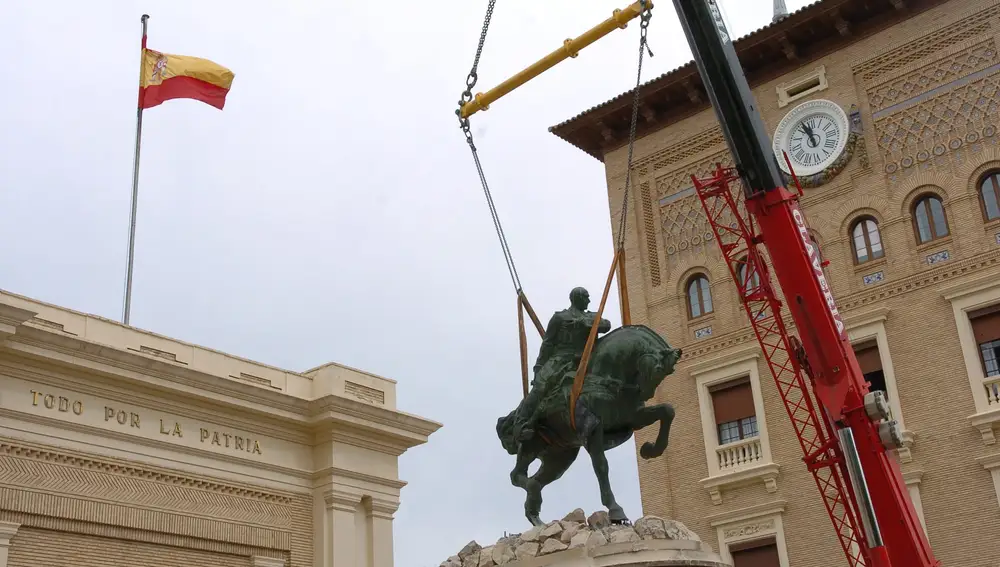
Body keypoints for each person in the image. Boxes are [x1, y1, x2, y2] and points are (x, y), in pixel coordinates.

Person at [512, 287, 611, 442]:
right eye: (586, 297)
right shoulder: (560, 317)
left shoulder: (592, 316)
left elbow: (606, 325)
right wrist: (539, 368)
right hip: (561, 360)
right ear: (577, 298)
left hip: (585, 361)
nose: (589, 300)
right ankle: (521, 426)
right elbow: (547, 345)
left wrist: (585, 323)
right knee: (540, 388)